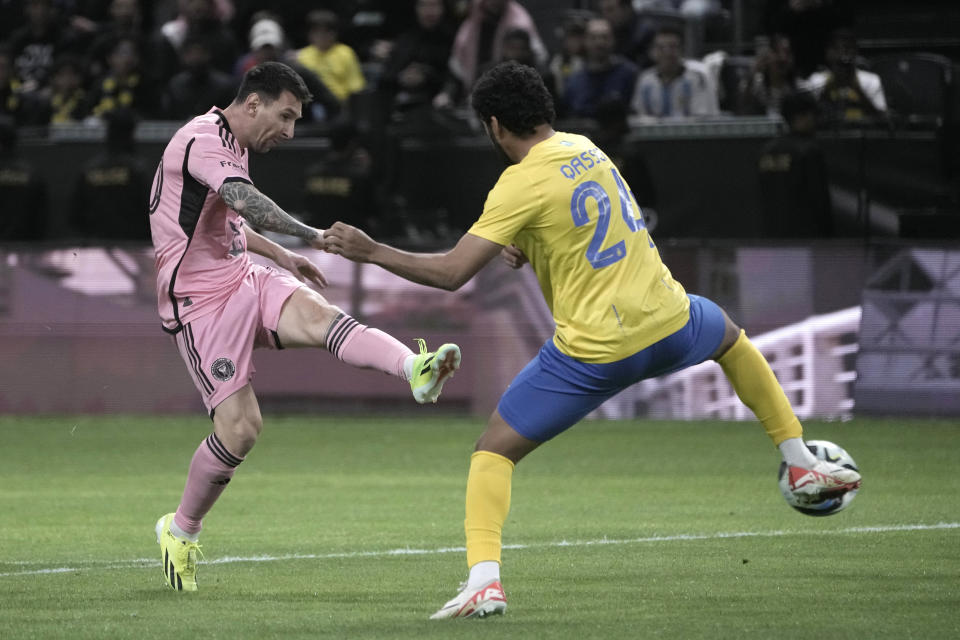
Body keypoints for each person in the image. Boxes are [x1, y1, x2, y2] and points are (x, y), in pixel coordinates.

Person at [322, 61, 862, 619]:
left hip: (596, 353)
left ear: (494, 125)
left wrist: (371, 251)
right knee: (729, 337)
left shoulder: (517, 184)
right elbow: (586, 229)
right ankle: (799, 460)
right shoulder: (588, 148)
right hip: (670, 322)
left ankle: (484, 580)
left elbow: (451, 272)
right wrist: (530, 245)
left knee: (492, 452)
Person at [150, 61, 461, 592]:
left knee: (322, 318)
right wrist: (311, 236)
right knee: (242, 430)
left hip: (241, 275)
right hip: (198, 303)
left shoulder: (232, 143)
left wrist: (283, 256)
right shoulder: (200, 139)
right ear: (254, 104)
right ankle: (180, 530)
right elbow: (247, 201)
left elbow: (232, 219)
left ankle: (416, 368)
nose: (290, 133)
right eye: (286, 116)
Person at [757, 90, 833, 237]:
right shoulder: (810, 152)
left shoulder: (765, 151)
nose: (816, 121)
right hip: (806, 238)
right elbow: (820, 201)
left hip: (771, 237)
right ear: (801, 116)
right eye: (813, 115)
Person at [71, 108, 152, 240]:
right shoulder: (137, 171)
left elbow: (75, 217)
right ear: (131, 134)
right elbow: (152, 213)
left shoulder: (89, 170)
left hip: (96, 249)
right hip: (133, 249)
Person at [801, 28, 886, 124]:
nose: (842, 53)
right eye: (837, 48)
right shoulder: (816, 80)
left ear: (855, 52)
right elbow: (808, 116)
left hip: (862, 132)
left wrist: (857, 88)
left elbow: (882, 118)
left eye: (848, 48)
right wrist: (829, 85)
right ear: (828, 52)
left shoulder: (871, 80)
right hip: (827, 133)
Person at [631, 25, 718, 118]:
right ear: (652, 52)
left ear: (682, 50)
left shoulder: (697, 78)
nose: (667, 52)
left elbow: (701, 117)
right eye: (660, 48)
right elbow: (639, 116)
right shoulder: (645, 79)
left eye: (672, 47)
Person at [562, 17, 637, 120]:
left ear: (613, 40)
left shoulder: (629, 74)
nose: (599, 43)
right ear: (585, 41)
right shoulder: (574, 81)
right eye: (593, 38)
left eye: (605, 37)